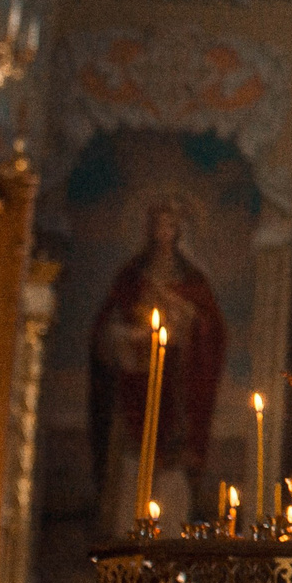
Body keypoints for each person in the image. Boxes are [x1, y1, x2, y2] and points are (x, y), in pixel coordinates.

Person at [89, 198, 229, 532]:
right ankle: (125, 536)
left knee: (170, 467)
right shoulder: (132, 276)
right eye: (157, 224)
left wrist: (187, 317)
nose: (162, 232)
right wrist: (126, 337)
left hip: (177, 384)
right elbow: (105, 328)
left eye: (169, 224)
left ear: (178, 230)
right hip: (135, 380)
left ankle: (169, 536)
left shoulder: (193, 279)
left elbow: (211, 330)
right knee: (131, 463)